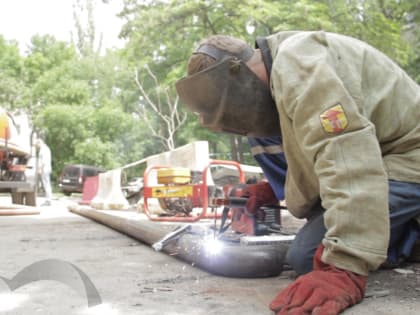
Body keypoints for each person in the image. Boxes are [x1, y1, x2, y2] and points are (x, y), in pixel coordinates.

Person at [175, 31, 420, 314]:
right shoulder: (282, 77)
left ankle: (411, 231)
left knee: (310, 258)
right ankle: (396, 234)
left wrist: (343, 267)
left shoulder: (297, 61)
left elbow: (345, 153)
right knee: (310, 252)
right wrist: (270, 190)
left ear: (237, 74)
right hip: (382, 158)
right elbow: (315, 157)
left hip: (409, 159)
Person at [36, 138, 53, 206]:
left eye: (37, 145)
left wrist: (40, 169)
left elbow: (43, 161)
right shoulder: (47, 148)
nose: (37, 146)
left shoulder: (43, 149)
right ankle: (48, 200)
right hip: (47, 168)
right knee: (47, 184)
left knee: (46, 184)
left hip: (44, 168)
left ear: (39, 143)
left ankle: (48, 200)